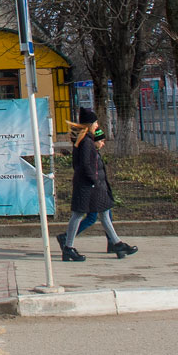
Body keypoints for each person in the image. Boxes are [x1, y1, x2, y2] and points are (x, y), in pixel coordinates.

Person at [57, 107, 137, 261]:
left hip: (90, 184)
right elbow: (86, 164)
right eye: (95, 122)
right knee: (79, 214)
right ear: (89, 124)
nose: (97, 125)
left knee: (104, 211)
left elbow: (81, 164)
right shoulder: (86, 141)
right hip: (88, 185)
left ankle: (117, 243)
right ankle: (68, 246)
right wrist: (94, 180)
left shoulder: (84, 139)